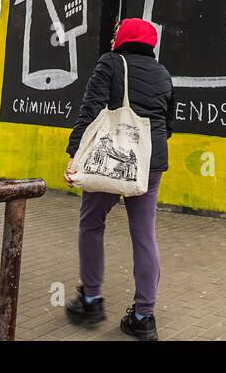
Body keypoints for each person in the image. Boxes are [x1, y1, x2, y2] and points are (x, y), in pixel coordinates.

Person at [63, 17, 174, 340]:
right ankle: (144, 317)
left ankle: (91, 299)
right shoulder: (163, 73)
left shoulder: (111, 63)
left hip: (109, 162)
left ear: (123, 38)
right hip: (150, 164)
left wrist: (76, 155)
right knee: (144, 235)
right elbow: (169, 123)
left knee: (92, 222)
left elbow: (91, 110)